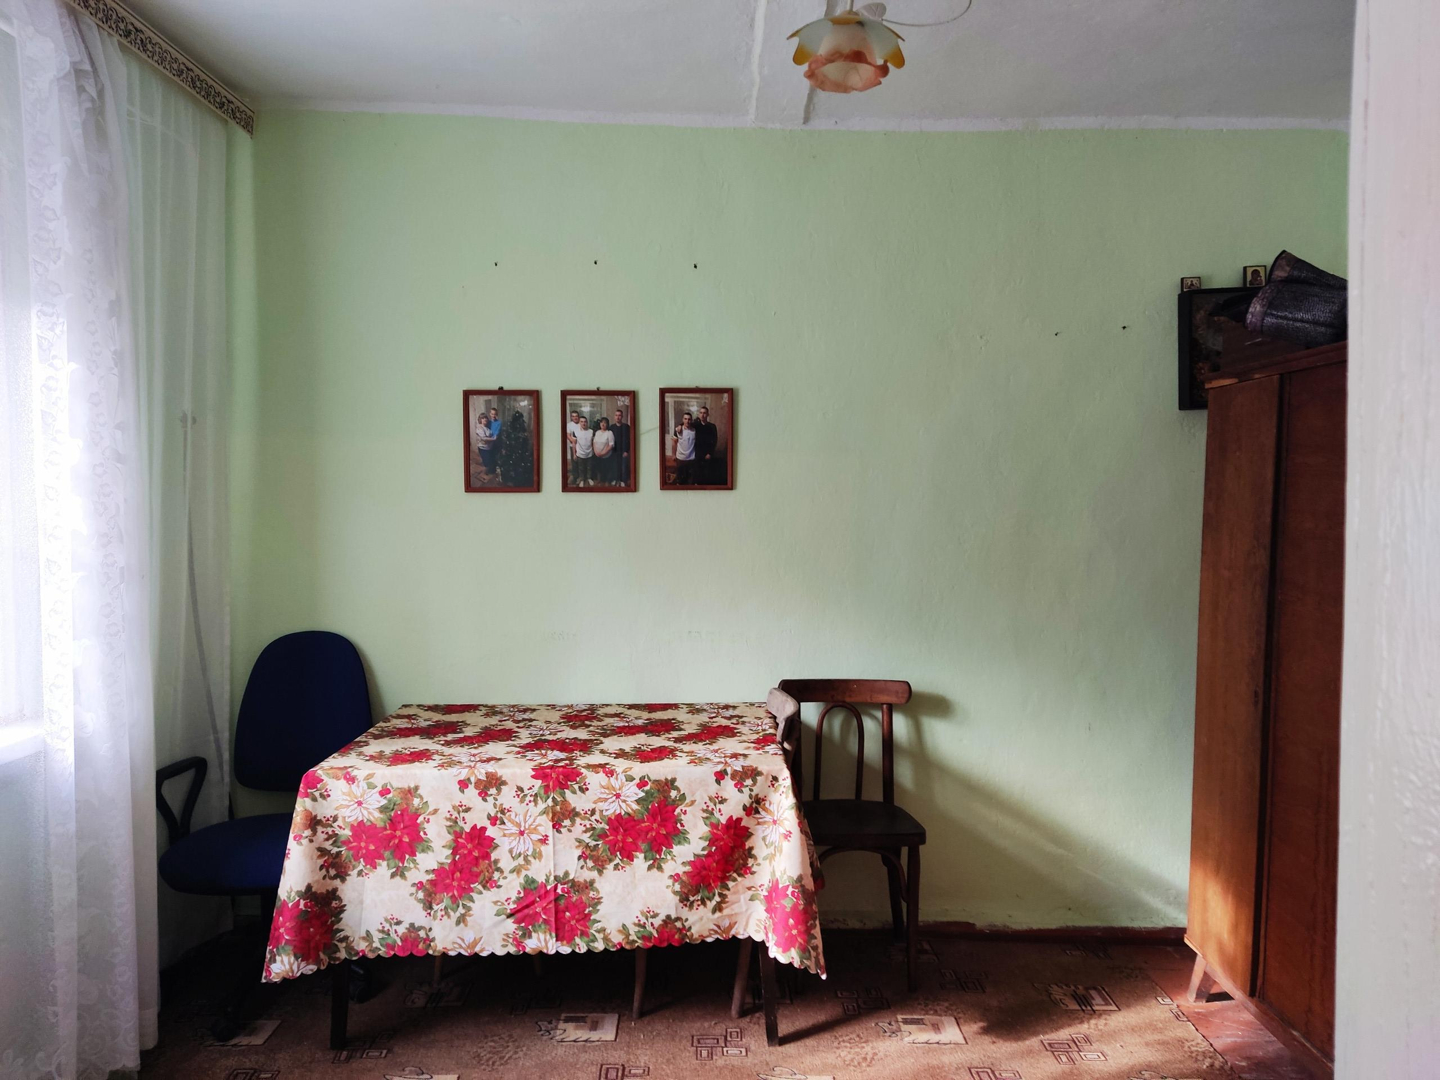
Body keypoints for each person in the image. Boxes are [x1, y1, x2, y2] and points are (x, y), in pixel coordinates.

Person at [497, 409, 532, 488]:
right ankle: (509, 479)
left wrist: (523, 439)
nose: (520, 421)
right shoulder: (509, 425)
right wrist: (505, 447)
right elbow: (505, 437)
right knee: (510, 465)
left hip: (519, 450)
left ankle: (516, 480)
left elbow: (524, 436)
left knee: (518, 465)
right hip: (511, 449)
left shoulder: (522, 425)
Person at [693, 404, 718, 485]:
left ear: (707, 414)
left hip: (707, 454)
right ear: (699, 414)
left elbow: (714, 440)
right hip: (697, 453)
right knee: (697, 473)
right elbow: (686, 423)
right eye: (701, 413)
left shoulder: (712, 426)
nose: (702, 415)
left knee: (707, 474)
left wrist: (710, 453)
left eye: (704, 413)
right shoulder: (696, 425)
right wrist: (680, 426)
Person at [611, 407, 631, 487]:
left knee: (624, 467)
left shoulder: (626, 427)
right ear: (614, 416)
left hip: (624, 451)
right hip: (614, 451)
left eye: (619, 415)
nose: (618, 417)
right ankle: (616, 480)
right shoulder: (611, 427)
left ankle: (623, 481)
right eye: (616, 415)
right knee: (615, 466)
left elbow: (629, 439)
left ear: (622, 417)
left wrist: (626, 451)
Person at [674, 412, 696, 485]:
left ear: (691, 420)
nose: (687, 421)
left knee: (690, 481)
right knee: (679, 480)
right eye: (685, 419)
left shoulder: (695, 430)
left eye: (689, 419)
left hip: (691, 459)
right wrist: (673, 455)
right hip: (680, 458)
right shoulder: (677, 430)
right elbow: (674, 443)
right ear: (682, 419)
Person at [572, 415, 595, 486]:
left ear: (587, 422)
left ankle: (589, 478)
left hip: (589, 453)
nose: (583, 423)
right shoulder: (575, 432)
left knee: (589, 467)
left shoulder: (591, 431)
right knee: (581, 468)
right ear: (579, 423)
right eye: (581, 422)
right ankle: (582, 479)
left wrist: (593, 451)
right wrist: (574, 454)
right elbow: (574, 443)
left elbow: (593, 442)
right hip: (580, 454)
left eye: (585, 422)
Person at [593, 416, 615, 486]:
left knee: (607, 469)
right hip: (597, 455)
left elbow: (611, 445)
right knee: (598, 468)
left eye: (605, 423)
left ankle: (607, 481)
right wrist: (596, 451)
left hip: (606, 455)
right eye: (601, 422)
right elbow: (594, 442)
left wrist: (603, 453)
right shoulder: (597, 432)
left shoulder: (609, 433)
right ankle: (599, 480)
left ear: (607, 424)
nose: (603, 424)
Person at [566, 410, 584, 487]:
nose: (575, 418)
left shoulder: (581, 423)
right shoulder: (569, 425)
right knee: (574, 462)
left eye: (576, 416)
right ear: (571, 417)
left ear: (578, 417)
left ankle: (581, 478)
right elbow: (568, 435)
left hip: (581, 446)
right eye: (573, 416)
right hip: (573, 446)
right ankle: (575, 477)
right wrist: (573, 441)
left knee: (581, 462)